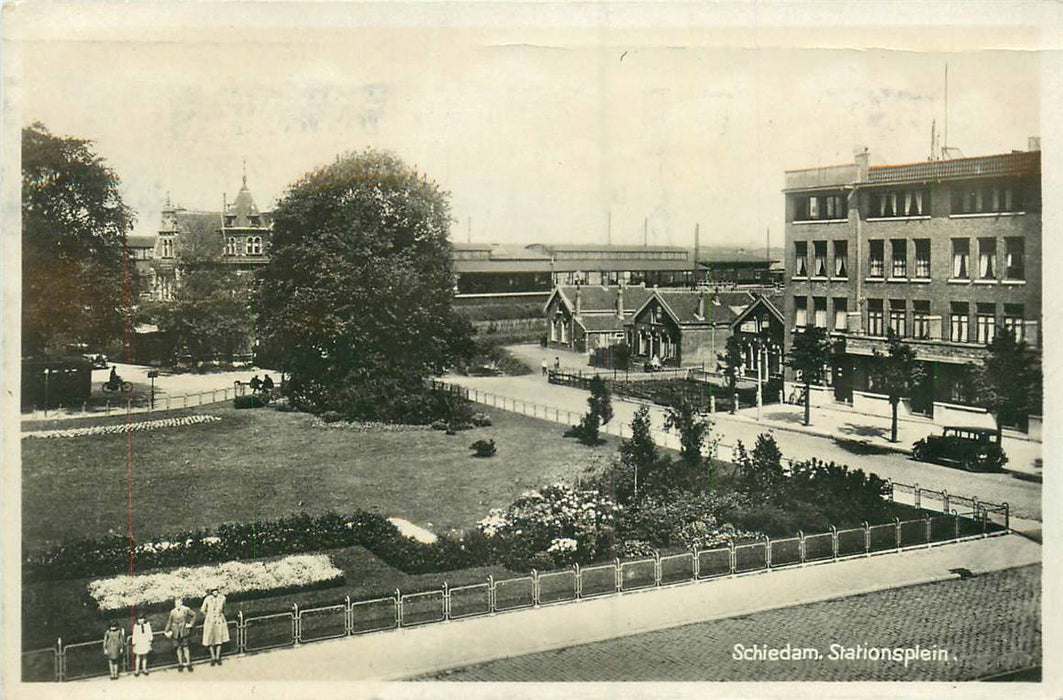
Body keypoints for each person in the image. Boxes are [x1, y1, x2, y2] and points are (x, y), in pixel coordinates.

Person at [164, 598, 195, 672]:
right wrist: (166, 631)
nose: (177, 605)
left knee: (185, 647)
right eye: (176, 604)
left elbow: (193, 615)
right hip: (175, 631)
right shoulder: (172, 612)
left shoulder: (186, 609)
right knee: (178, 648)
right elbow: (169, 622)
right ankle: (180, 664)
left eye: (179, 603)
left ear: (181, 603)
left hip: (184, 630)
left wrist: (190, 624)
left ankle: (188, 664)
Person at [200, 588, 230, 666]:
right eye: (213, 591)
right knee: (210, 639)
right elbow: (202, 610)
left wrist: (221, 615)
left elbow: (224, 608)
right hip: (210, 621)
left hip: (219, 621)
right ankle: (212, 658)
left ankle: (218, 658)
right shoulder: (207, 599)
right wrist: (208, 616)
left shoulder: (222, 598)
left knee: (219, 639)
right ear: (211, 592)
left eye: (216, 590)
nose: (215, 592)